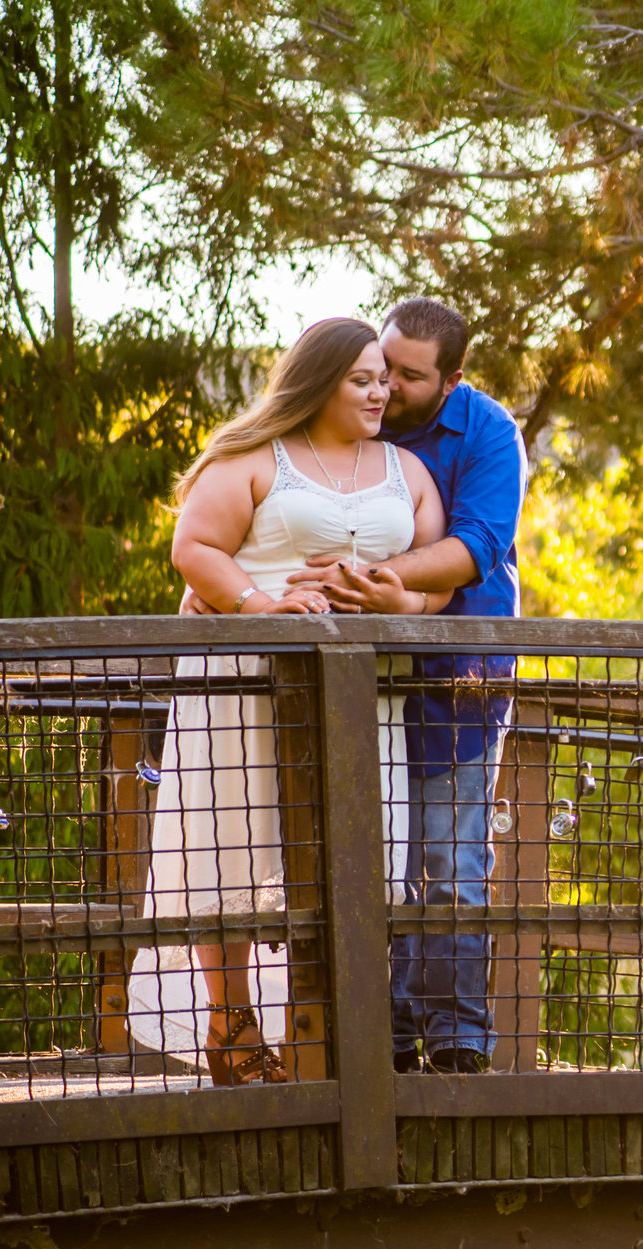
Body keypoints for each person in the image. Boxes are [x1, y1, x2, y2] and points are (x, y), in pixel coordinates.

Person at [136, 317, 449, 1085]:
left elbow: (436, 582)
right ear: (318, 381)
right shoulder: (255, 456)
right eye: (362, 379)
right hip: (241, 680)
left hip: (358, 695)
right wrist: (255, 605)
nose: (380, 392)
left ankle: (328, 1032)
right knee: (228, 845)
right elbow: (195, 548)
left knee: (356, 852)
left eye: (385, 379)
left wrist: (392, 607)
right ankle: (232, 1028)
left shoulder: (404, 471)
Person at [302, 298, 526, 1075]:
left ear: (453, 378)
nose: (388, 386)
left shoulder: (490, 434)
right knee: (379, 859)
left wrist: (376, 580)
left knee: (453, 859)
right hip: (363, 682)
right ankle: (388, 1040)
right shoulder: (358, 411)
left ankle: (459, 1042)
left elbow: (475, 549)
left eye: (408, 375)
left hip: (460, 680)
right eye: (383, 364)